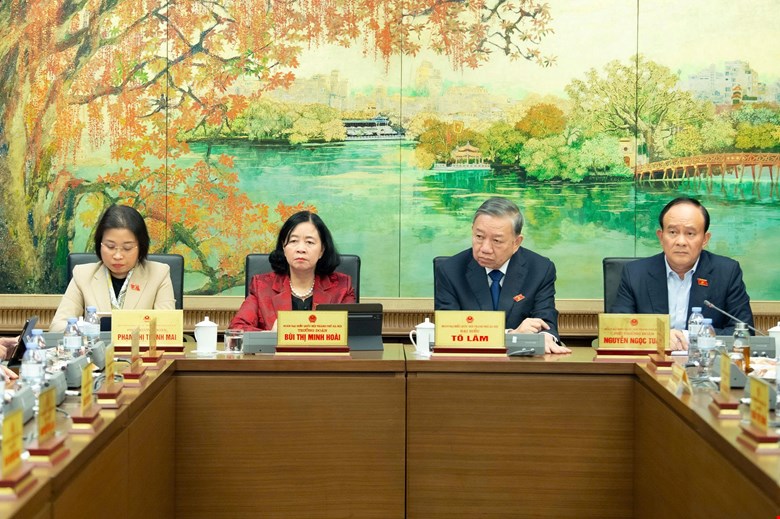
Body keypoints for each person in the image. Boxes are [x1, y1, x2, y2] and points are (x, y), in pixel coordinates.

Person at [610, 196, 753, 350]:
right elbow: (617, 329)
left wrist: (689, 338)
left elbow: (744, 332)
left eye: (690, 233)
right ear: (661, 236)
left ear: (705, 239)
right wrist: (660, 336)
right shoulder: (635, 274)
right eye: (672, 232)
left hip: (706, 361)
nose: (681, 242)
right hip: (651, 361)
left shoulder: (726, 272)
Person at [435, 197, 569, 354]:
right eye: (479, 237)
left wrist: (544, 337)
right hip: (468, 363)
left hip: (521, 364)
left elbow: (546, 320)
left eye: (497, 240)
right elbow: (449, 333)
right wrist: (511, 336)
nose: (485, 248)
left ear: (516, 242)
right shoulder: (450, 271)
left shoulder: (540, 269)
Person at [49, 205, 176, 332]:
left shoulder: (159, 274)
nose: (118, 256)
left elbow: (168, 328)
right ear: (100, 244)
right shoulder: (83, 275)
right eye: (110, 246)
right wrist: (88, 329)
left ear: (141, 246)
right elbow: (57, 327)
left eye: (127, 248)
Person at [230, 211, 355, 331]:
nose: (301, 249)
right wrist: (270, 335)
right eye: (293, 241)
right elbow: (237, 329)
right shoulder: (262, 286)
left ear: (322, 250)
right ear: (284, 247)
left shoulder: (342, 287)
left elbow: (353, 332)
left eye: (309, 242)